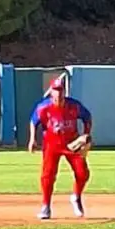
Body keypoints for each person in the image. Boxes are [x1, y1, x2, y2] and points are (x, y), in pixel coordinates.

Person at [28, 75, 93, 219]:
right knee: (48, 175)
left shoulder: (74, 106)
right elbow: (33, 121)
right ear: (51, 92)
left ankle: (76, 197)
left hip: (72, 144)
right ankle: (46, 206)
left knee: (83, 173)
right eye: (56, 90)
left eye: (61, 90)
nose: (58, 93)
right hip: (51, 144)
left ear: (65, 91)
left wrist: (86, 137)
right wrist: (32, 139)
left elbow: (87, 117)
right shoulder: (44, 107)